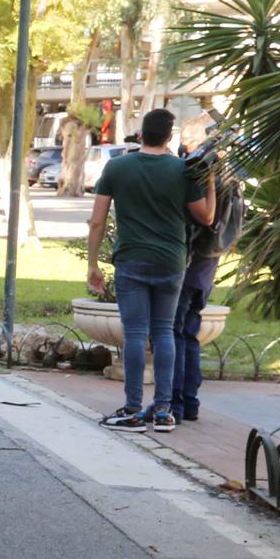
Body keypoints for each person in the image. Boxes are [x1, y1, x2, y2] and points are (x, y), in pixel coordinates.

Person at [86, 108, 213, 434]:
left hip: (131, 260)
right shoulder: (184, 170)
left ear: (141, 134)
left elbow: (98, 219)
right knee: (164, 333)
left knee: (134, 335)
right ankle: (163, 411)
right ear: (169, 137)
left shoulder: (117, 167)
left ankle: (131, 409)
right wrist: (209, 181)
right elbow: (206, 217)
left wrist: (93, 264)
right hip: (171, 262)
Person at [168, 151, 227, 425]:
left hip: (190, 267)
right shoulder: (231, 185)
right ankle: (189, 403)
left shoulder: (204, 181)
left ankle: (175, 404)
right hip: (206, 270)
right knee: (189, 334)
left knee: (175, 334)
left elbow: (202, 219)